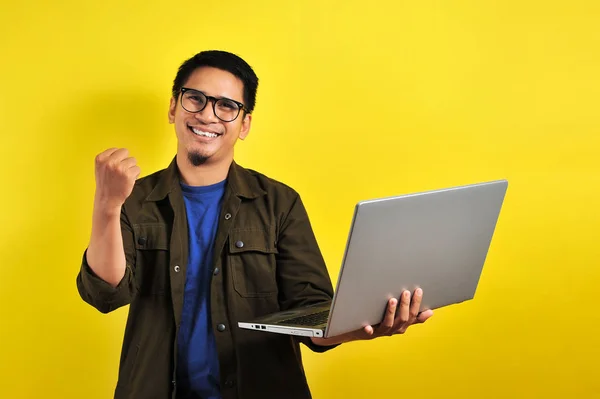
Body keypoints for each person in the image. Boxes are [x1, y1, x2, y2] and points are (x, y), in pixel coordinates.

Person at [76, 50, 433, 399]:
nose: (207, 115)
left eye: (226, 106)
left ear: (244, 124)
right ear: (173, 108)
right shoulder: (133, 198)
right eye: (195, 99)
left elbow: (311, 318)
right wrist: (106, 206)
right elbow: (106, 294)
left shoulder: (279, 203)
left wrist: (363, 327)